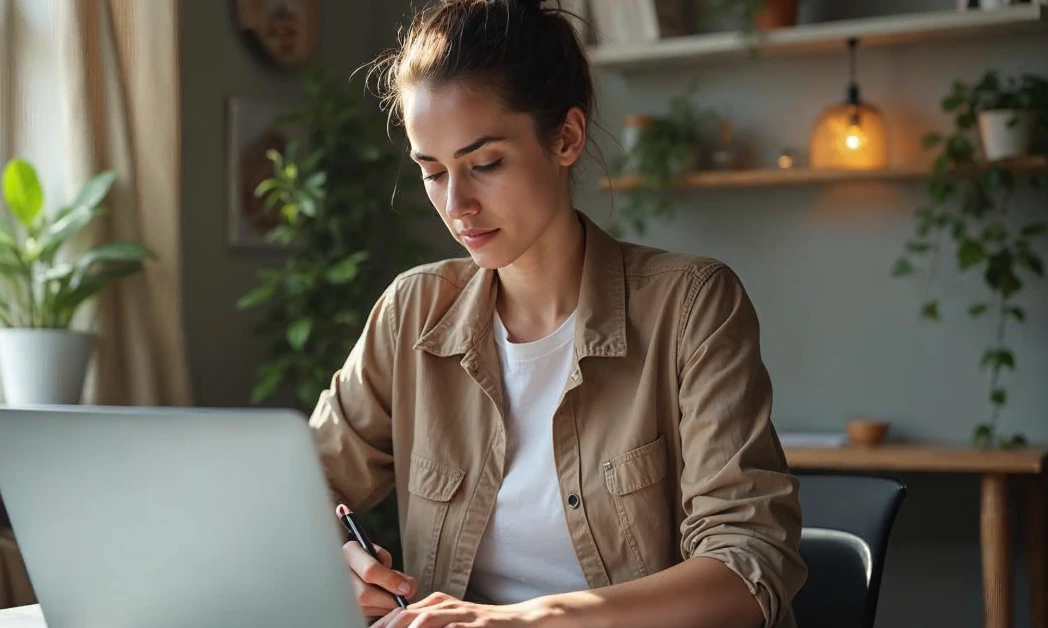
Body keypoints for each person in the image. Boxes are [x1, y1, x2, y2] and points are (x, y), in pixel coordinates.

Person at [308, 0, 808, 626]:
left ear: (566, 138)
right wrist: (335, 559)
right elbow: (305, 492)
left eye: (485, 164)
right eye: (432, 172)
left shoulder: (690, 304)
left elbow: (747, 562)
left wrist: (519, 621)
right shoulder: (412, 311)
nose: (456, 203)